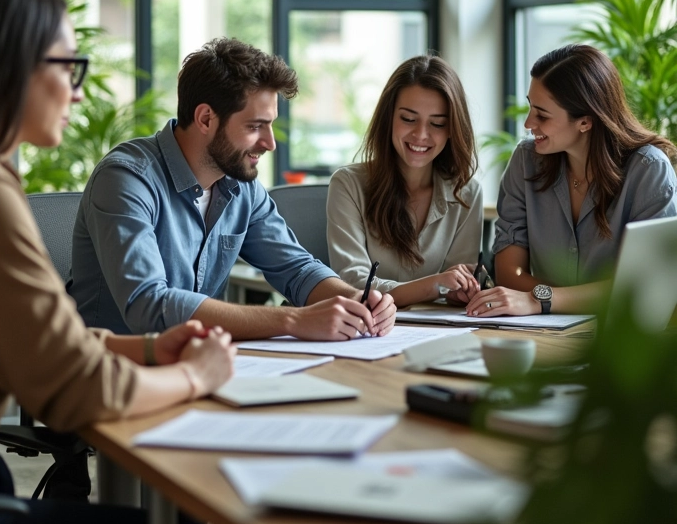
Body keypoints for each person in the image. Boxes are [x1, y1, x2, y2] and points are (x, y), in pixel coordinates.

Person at [0, 0, 236, 524]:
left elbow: (42, 342)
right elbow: (73, 388)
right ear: (15, 70)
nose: (79, 93)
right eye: (70, 68)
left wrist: (154, 348)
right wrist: (195, 375)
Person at [68, 38, 396, 341]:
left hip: (203, 368)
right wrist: (293, 320)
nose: (269, 143)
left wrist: (353, 300)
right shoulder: (126, 179)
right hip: (110, 378)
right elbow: (148, 305)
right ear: (206, 119)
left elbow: (296, 269)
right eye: (255, 127)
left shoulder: (239, 184)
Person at [465, 43, 677, 318]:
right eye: (531, 107)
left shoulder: (649, 171)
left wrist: (539, 299)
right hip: (543, 330)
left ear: (585, 122)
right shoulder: (525, 161)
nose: (528, 123)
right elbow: (509, 274)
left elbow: (643, 289)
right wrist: (571, 299)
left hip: (619, 342)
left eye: (542, 114)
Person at [326, 55, 483, 308]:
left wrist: (461, 290)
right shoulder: (348, 185)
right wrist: (435, 285)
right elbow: (354, 285)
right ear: (389, 118)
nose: (421, 135)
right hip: (365, 331)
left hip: (437, 334)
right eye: (408, 119)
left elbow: (459, 278)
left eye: (437, 123)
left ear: (452, 128)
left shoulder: (466, 192)